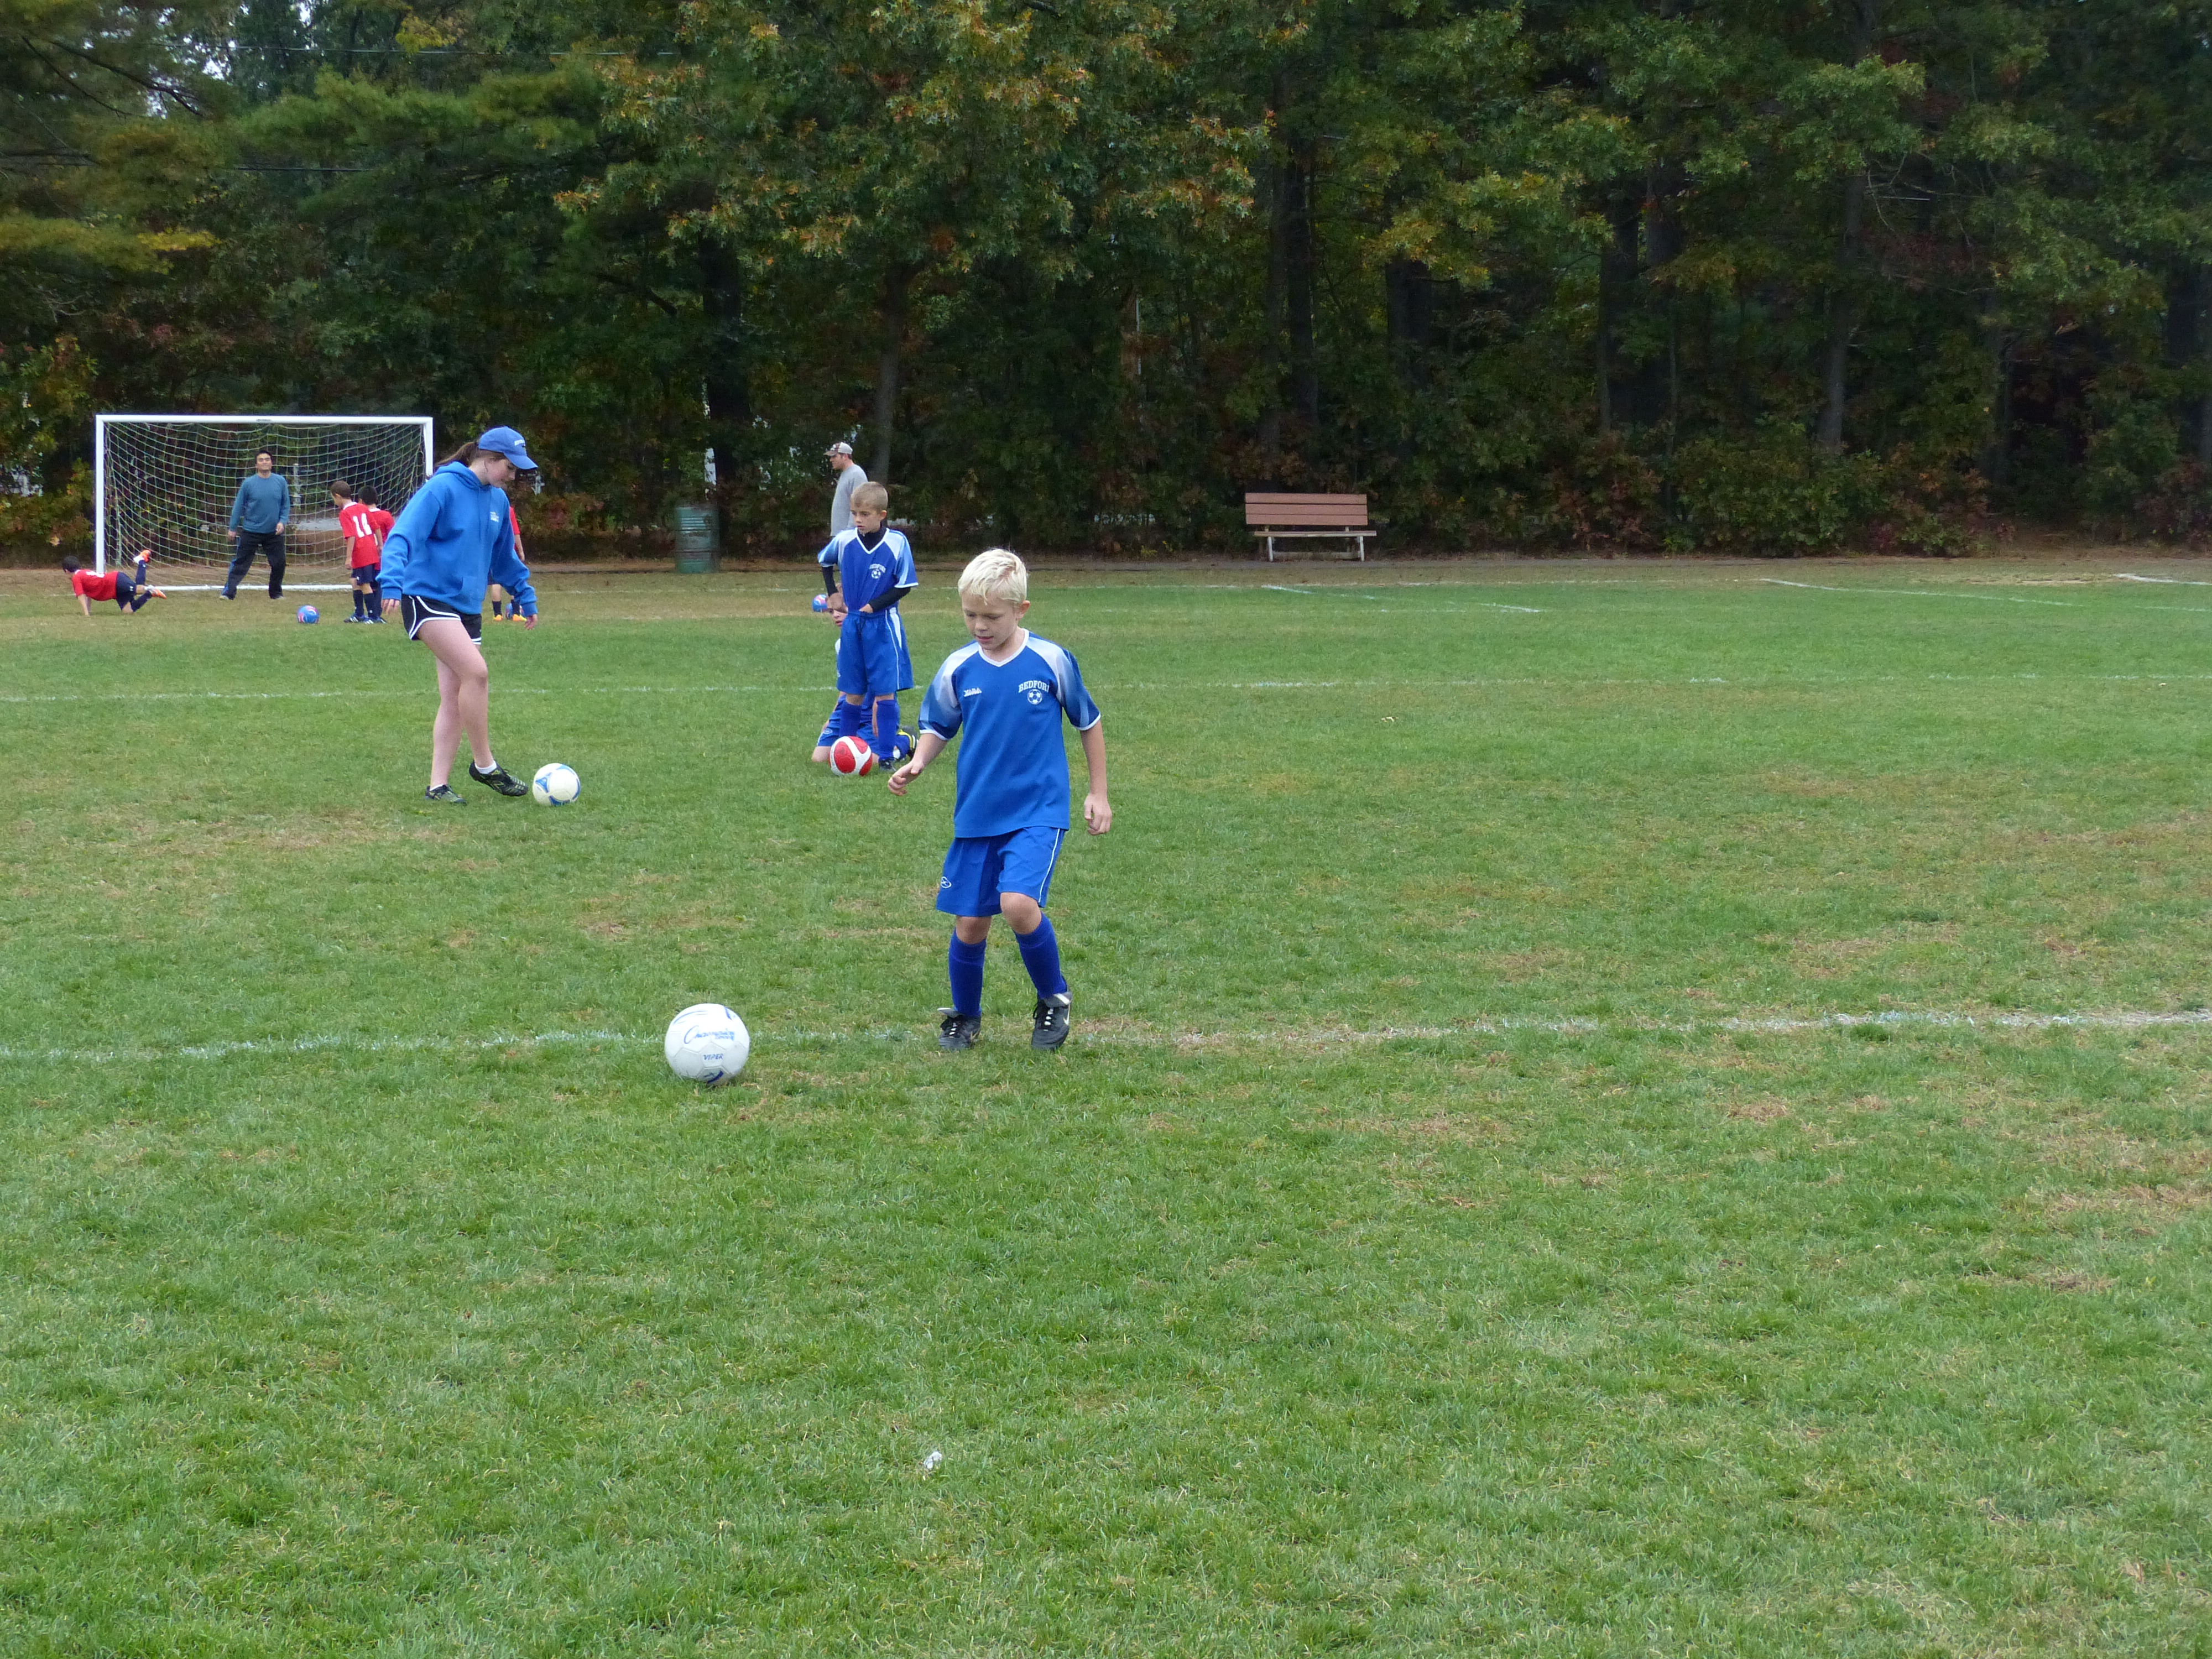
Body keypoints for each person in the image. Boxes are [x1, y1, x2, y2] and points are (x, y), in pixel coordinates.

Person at [888, 550, 1111, 1051]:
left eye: (991, 616)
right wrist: (919, 761)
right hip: (977, 813)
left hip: (1038, 809)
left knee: (1017, 903)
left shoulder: (1051, 660)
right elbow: (939, 725)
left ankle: (1053, 998)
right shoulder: (958, 667)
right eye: (971, 615)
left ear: (1021, 610)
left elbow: (1089, 722)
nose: (980, 626)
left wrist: (1098, 793)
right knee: (970, 922)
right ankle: (965, 1016)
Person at [378, 426, 540, 804]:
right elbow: (403, 535)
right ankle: (484, 765)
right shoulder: (442, 488)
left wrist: (524, 594)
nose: (513, 476)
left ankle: (438, 787)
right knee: (477, 673)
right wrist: (391, 581)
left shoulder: (498, 500)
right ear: (488, 459)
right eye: (510, 467)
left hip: (467, 607)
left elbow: (504, 558)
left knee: (454, 696)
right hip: (427, 597)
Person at [811, 482, 916, 768]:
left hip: (883, 624)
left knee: (884, 692)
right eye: (855, 513)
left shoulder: (897, 543)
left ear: (882, 515)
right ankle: (843, 750)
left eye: (865, 514)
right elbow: (825, 562)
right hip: (854, 624)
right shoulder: (845, 540)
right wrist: (833, 593)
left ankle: (887, 756)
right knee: (853, 690)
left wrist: (873, 606)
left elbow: (905, 585)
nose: (858, 519)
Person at [221, 450, 290, 600]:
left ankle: (276, 594)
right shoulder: (249, 483)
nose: (265, 462)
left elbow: (286, 505)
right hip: (251, 531)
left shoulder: (280, 482)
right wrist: (233, 528)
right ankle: (228, 593)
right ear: (256, 465)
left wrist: (282, 522)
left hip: (273, 532)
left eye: (267, 459)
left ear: (272, 463)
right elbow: (238, 506)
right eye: (261, 460)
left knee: (279, 564)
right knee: (240, 564)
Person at [333, 479, 389, 623]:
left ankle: (374, 617)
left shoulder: (345, 513)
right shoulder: (362, 507)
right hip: (371, 548)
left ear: (338, 496)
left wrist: (348, 558)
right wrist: (380, 545)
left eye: (334, 498)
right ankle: (359, 614)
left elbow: (351, 535)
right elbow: (376, 527)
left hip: (361, 551)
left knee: (364, 584)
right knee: (355, 581)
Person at [63, 549, 163, 616]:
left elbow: (81, 596)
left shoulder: (76, 577)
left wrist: (86, 615)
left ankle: (141, 560)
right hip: (115, 590)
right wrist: (88, 612)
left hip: (115, 581)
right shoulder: (83, 573)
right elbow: (87, 595)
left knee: (140, 589)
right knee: (128, 611)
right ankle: (150, 593)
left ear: (67, 571)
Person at [827, 440, 867, 538]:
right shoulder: (846, 474)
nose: (831, 460)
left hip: (849, 536)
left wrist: (850, 533)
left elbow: (859, 505)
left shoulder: (857, 474)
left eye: (834, 456)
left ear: (845, 456)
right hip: (841, 535)